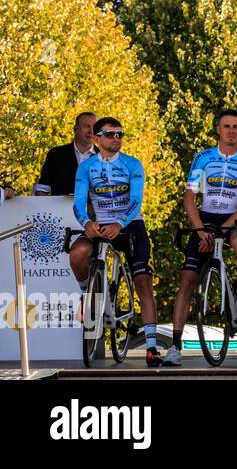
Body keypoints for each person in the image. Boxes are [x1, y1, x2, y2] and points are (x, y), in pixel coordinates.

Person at [162, 109, 237, 367]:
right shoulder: (203, 158)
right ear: (218, 129)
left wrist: (224, 228)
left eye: (236, 127)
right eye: (226, 126)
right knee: (187, 280)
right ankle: (174, 346)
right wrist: (199, 229)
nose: (231, 131)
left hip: (233, 218)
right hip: (205, 220)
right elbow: (189, 198)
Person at [67, 117, 163, 366]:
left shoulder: (133, 164)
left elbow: (135, 201)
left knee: (143, 281)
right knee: (77, 254)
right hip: (99, 225)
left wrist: (119, 223)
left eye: (120, 134)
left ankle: (152, 346)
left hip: (129, 225)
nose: (116, 138)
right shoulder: (86, 167)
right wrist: (87, 222)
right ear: (97, 139)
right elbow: (78, 202)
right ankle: (86, 293)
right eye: (110, 134)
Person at [34, 111, 97, 196]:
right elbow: (43, 188)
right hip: (59, 208)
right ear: (75, 129)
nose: (91, 131)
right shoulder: (56, 154)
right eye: (87, 126)